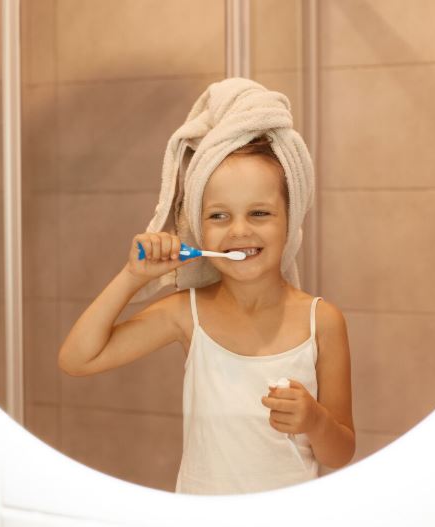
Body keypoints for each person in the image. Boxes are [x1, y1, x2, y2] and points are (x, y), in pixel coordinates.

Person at [58, 133, 355, 495]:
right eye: (219, 216)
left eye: (259, 213)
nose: (240, 230)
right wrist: (132, 277)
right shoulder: (187, 312)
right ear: (200, 230)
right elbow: (77, 359)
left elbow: (340, 454)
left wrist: (315, 421)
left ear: (289, 221)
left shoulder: (322, 321)